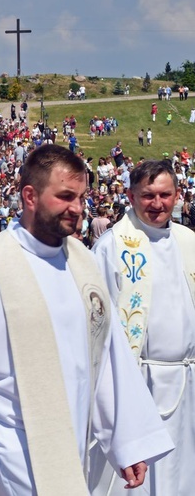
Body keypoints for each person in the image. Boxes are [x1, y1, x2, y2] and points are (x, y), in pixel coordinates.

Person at [0, 144, 173, 495]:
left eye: (82, 198)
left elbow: (105, 359)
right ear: (30, 196)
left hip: (70, 443)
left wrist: (126, 440)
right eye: (66, 197)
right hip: (7, 449)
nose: (77, 209)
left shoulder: (82, 262)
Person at [90, 160, 195, 495]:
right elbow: (97, 324)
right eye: (148, 195)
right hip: (138, 380)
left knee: (183, 472)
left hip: (187, 379)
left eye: (165, 195)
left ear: (177, 195)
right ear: (131, 196)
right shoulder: (112, 246)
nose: (158, 203)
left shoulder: (188, 240)